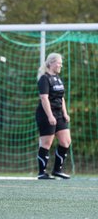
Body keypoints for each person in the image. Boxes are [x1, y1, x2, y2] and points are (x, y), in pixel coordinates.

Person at [36, 52, 71, 180]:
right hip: (46, 114)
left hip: (59, 113)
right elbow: (44, 99)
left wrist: (65, 113)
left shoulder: (58, 78)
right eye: (58, 62)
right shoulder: (44, 79)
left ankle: (57, 170)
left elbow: (61, 98)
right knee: (46, 143)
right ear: (51, 63)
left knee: (65, 141)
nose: (60, 65)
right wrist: (50, 116)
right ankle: (42, 173)